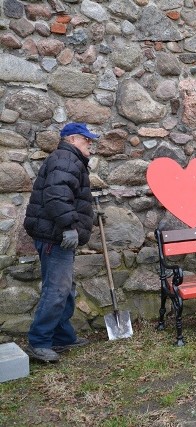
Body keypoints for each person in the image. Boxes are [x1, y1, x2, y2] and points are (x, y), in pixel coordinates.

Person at [23, 122, 100, 362]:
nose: (90, 143)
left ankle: (62, 337)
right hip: (55, 236)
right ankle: (39, 342)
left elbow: (68, 196)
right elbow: (56, 196)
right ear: (73, 139)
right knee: (56, 289)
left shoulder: (69, 160)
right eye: (86, 139)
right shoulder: (66, 159)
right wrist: (68, 227)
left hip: (57, 235)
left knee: (65, 289)